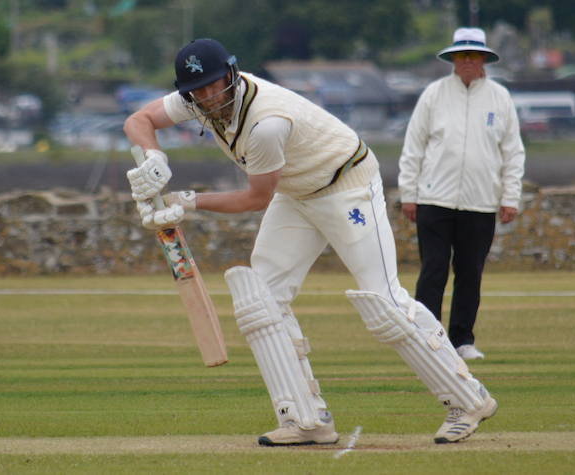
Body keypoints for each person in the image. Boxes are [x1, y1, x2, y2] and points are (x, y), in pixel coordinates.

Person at [124, 38, 497, 446]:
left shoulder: (266, 123)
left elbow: (255, 199)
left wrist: (188, 202)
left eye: (216, 84)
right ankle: (306, 419)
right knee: (261, 300)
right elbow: (139, 120)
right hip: (297, 193)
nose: (210, 97)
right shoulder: (195, 100)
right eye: (200, 90)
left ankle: (469, 399)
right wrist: (154, 157)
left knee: (384, 303)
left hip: (346, 187)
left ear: (231, 74)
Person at [398, 27, 526, 361]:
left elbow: (513, 153)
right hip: (433, 200)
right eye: (461, 55)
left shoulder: (500, 98)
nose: (467, 61)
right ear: (453, 58)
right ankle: (427, 337)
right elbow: (414, 147)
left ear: (484, 58)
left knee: (470, 273)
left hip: (481, 203)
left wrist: (510, 197)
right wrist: (408, 193)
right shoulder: (434, 94)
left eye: (473, 55)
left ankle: (462, 341)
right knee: (434, 269)